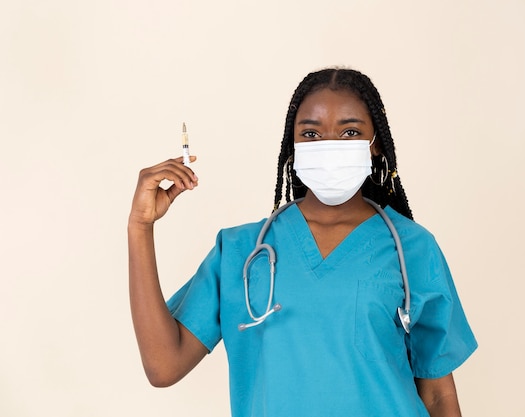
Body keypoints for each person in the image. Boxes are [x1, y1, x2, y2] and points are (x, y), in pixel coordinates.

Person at [128, 68, 477, 417]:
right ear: (291, 146)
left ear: (376, 145)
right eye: (311, 133)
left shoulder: (411, 248)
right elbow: (163, 366)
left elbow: (436, 396)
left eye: (350, 131)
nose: (328, 146)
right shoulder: (240, 251)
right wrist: (140, 227)